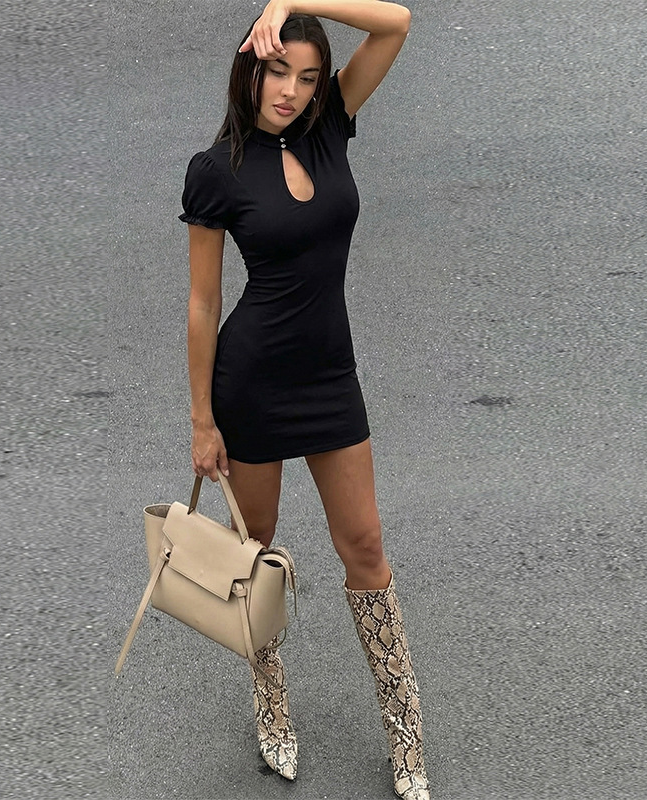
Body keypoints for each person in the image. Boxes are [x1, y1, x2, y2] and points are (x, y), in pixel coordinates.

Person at [180, 2, 429, 798]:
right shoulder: (216, 168)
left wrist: (294, 1)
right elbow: (202, 303)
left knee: (366, 548)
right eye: (278, 70)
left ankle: (406, 738)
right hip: (252, 384)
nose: (290, 90)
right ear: (250, 69)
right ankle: (271, 704)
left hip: (329, 377)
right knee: (254, 555)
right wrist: (203, 422)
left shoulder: (329, 128)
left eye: (308, 76)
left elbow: (396, 23)